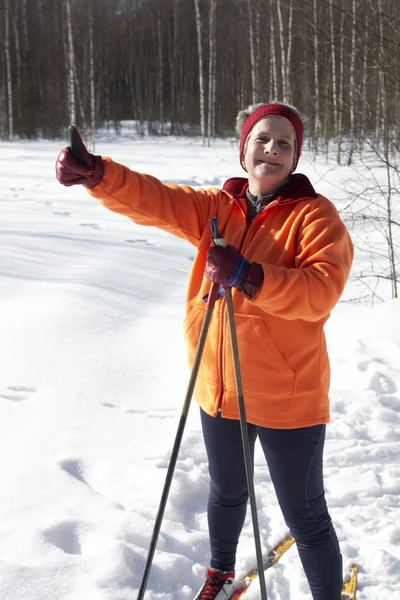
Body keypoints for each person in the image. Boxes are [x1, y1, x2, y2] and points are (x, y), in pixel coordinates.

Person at [56, 102, 354, 600]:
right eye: (263, 139)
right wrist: (99, 175)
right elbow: (158, 199)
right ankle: (218, 573)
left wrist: (248, 275)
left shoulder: (315, 217)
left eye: (284, 143)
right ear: (245, 150)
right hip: (220, 388)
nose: (272, 149)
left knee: (305, 514)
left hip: (288, 398)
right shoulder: (218, 208)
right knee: (225, 492)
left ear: (296, 156)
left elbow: (319, 291)